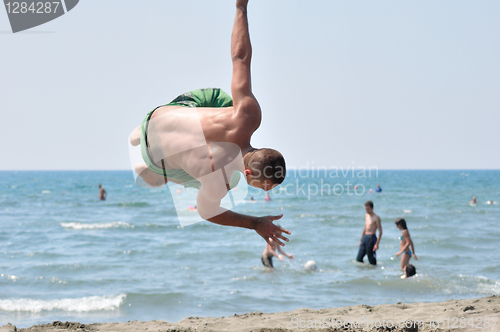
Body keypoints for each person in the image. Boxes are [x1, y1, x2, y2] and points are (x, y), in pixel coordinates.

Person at [128, 0, 290, 247]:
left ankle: (138, 136)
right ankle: (158, 172)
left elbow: (241, 58)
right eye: (262, 187)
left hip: (156, 117)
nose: (265, 192)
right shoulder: (221, 183)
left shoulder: (247, 116)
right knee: (220, 180)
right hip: (154, 155)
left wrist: (241, 8)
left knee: (228, 106)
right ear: (249, 172)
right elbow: (207, 213)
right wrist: (256, 223)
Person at [356, 201, 382, 265]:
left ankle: (374, 272)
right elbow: (365, 228)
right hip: (365, 237)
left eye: (368, 209)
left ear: (372, 208)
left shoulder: (376, 217)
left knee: (371, 259)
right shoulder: (366, 216)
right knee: (359, 258)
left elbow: (380, 232)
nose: (367, 210)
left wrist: (377, 244)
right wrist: (361, 240)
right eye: (366, 209)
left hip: (371, 238)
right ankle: (363, 272)